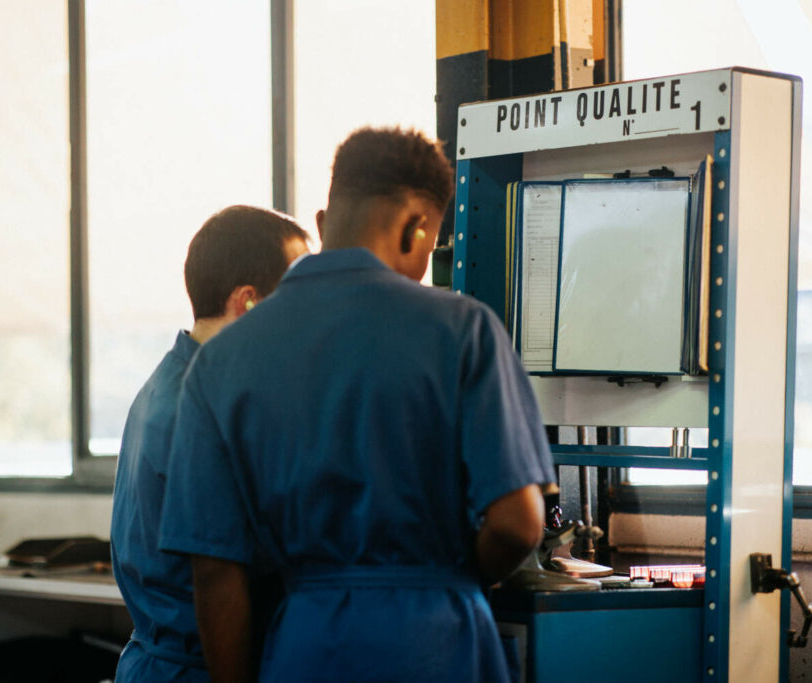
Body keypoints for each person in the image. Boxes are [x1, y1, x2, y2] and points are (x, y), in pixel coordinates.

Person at [159, 127, 555, 683]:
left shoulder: (222, 361)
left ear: (322, 225)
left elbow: (213, 570)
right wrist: (444, 579)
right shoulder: (465, 331)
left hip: (306, 646)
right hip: (440, 643)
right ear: (417, 228)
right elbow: (519, 526)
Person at [110, 205, 309, 682]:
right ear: (249, 302)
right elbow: (222, 573)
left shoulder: (169, 384)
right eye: (297, 301)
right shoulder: (198, 408)